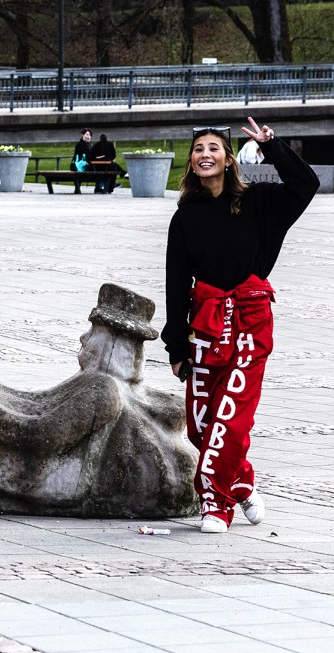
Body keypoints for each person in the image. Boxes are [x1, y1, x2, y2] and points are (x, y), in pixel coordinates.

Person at [162, 118, 319, 533]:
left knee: (229, 417)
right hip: (206, 327)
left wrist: (272, 146)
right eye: (198, 149)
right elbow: (176, 283)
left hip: (250, 322)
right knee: (199, 426)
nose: (205, 155)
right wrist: (176, 346)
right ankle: (242, 481)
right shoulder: (185, 217)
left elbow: (306, 185)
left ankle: (215, 502)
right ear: (191, 161)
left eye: (214, 148)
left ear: (228, 159)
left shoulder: (260, 202)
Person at [0, 284, 196, 519]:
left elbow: (40, 437)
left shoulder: (102, 389)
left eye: (94, 330)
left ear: (110, 344)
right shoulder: (99, 383)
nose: (84, 338)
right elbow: (38, 403)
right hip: (61, 461)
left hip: (60, 479)